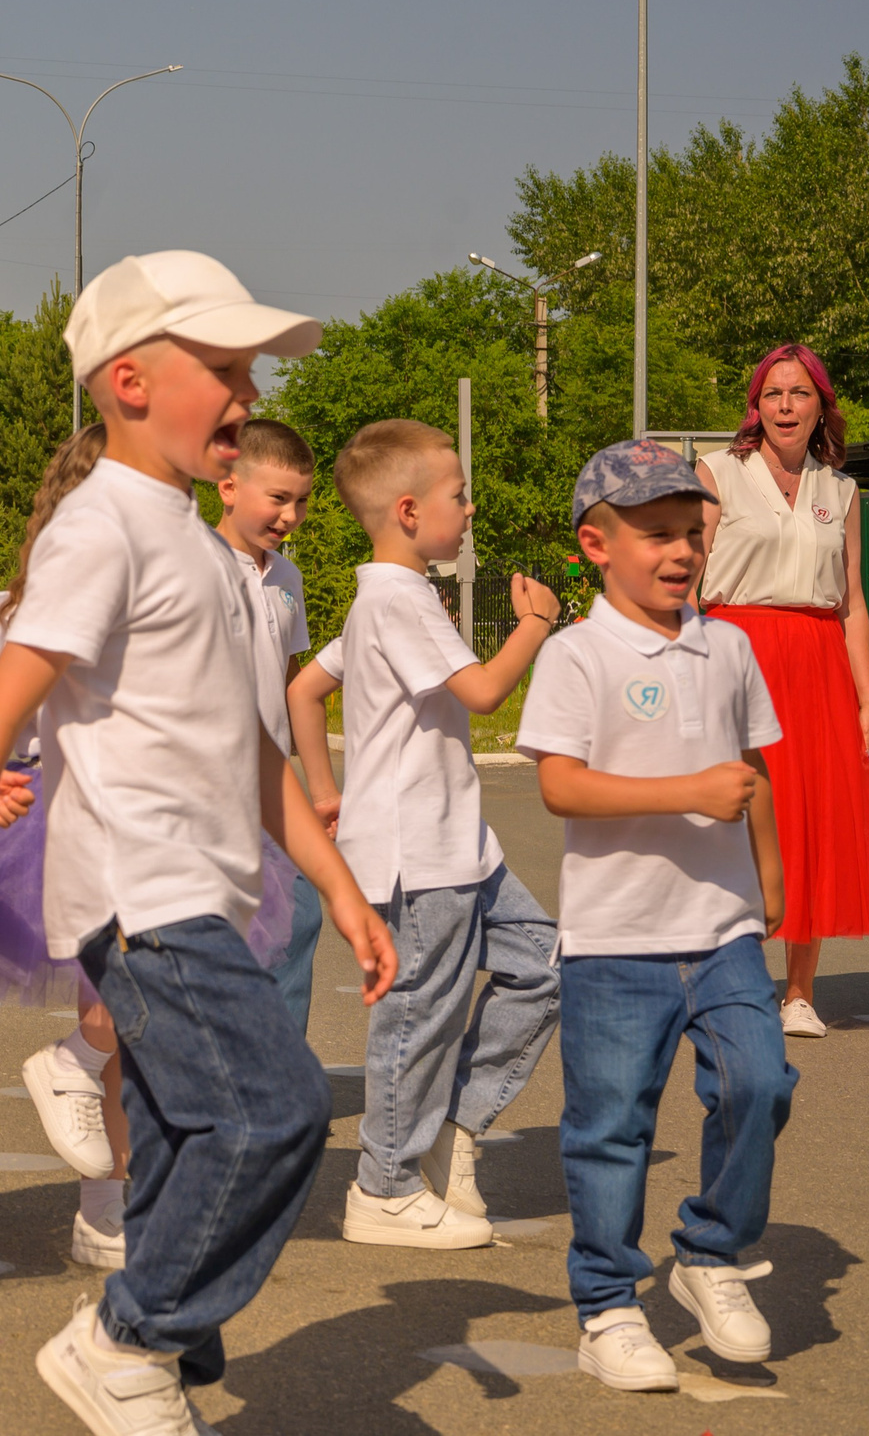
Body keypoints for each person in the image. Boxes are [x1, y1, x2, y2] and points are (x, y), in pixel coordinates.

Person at [0, 251, 395, 1436]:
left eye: (247, 366)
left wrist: (344, 887)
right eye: (220, 366)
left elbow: (258, 751)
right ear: (127, 379)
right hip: (138, 894)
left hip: (204, 894)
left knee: (178, 1137)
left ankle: (151, 1349)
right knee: (272, 1111)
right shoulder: (100, 528)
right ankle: (125, 1335)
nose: (245, 388)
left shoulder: (212, 552)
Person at [517, 440, 795, 1391]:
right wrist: (685, 790)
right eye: (654, 535)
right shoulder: (574, 653)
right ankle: (606, 1305)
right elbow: (560, 786)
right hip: (614, 943)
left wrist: (770, 883)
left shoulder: (733, 646)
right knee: (610, 1130)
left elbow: (752, 778)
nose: (679, 552)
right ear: (596, 542)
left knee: (761, 1084)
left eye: (691, 532)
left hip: (724, 929)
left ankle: (712, 1253)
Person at [286, 419, 560, 1251]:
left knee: (544, 961)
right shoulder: (399, 598)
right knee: (418, 1015)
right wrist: (537, 623)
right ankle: (386, 1186)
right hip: (420, 857)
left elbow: (305, 689)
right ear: (408, 510)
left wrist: (326, 789)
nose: (470, 509)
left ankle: (449, 1127)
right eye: (459, 495)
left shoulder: (387, 597)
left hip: (457, 844)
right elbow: (481, 690)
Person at [0, 425, 127, 1271]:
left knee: (144, 1014)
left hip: (139, 804)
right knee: (132, 988)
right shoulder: (20, 608)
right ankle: (73, 1060)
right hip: (59, 807)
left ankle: (107, 1211)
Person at [694, 344, 869, 1037]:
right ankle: (736, 978)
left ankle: (799, 992)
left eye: (798, 393)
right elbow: (688, 582)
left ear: (820, 407)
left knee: (805, 820)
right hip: (733, 653)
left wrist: (868, 699)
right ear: (756, 407)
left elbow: (852, 604)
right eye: (773, 394)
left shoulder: (840, 491)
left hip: (816, 666)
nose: (785, 405)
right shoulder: (717, 472)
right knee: (738, 817)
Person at [210, 418, 326, 1027]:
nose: (291, 514)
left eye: (301, 500)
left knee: (299, 917)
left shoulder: (287, 577)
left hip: (272, 786)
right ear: (228, 486)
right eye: (278, 498)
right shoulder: (194, 564)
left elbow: (290, 685)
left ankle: (278, 1082)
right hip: (204, 786)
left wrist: (315, 787)